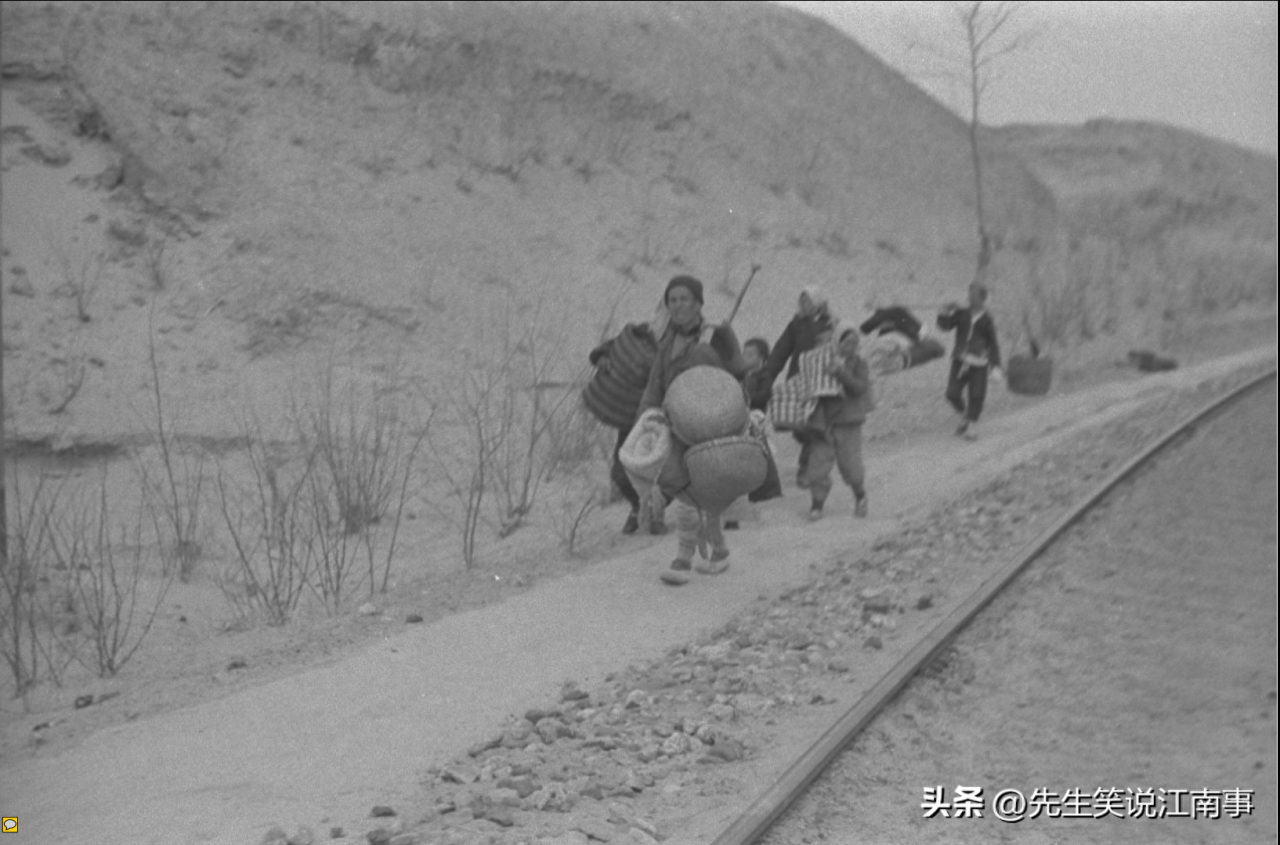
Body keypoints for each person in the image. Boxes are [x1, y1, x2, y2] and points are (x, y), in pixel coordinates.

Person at [638, 275, 746, 586]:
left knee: (702, 491)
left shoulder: (714, 334)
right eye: (672, 300)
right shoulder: (667, 342)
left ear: (699, 303)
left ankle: (687, 557)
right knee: (684, 487)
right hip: (677, 422)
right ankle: (707, 552)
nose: (678, 305)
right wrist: (646, 415)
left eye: (684, 299)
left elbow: (738, 372)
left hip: (712, 423)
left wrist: (729, 339)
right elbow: (655, 383)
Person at [582, 303, 669, 534]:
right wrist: (602, 359)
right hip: (630, 416)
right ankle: (638, 507)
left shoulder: (685, 343)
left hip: (664, 419)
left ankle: (655, 513)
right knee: (620, 473)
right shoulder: (637, 335)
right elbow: (606, 350)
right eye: (667, 307)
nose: (668, 315)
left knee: (662, 472)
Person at [764, 287, 835, 487]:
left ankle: (806, 469)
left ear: (819, 302)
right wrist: (769, 373)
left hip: (821, 384)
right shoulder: (796, 325)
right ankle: (814, 458)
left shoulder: (830, 324)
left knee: (812, 425)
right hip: (797, 381)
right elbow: (781, 350)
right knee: (798, 429)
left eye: (808, 301)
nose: (804, 305)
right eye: (802, 301)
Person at [803, 323, 872, 520]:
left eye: (854, 343)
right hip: (823, 423)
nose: (850, 347)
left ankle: (860, 496)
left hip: (848, 422)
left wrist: (841, 373)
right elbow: (810, 384)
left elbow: (859, 388)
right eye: (846, 342)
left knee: (851, 467)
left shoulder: (859, 364)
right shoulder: (820, 362)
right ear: (837, 342)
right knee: (817, 466)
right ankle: (817, 505)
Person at [937, 282, 1003, 440]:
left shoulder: (987, 320)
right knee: (951, 393)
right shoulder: (961, 314)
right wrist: (945, 310)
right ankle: (964, 417)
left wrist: (995, 366)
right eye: (969, 294)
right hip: (960, 360)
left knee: (977, 395)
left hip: (979, 363)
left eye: (974, 295)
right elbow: (944, 326)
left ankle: (970, 427)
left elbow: (993, 344)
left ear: (982, 298)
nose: (970, 298)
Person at [724, 337, 773, 531]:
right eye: (743, 353)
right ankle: (732, 515)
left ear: (762, 358)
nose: (745, 357)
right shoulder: (741, 375)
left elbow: (763, 397)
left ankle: (738, 511)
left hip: (755, 420)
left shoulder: (764, 376)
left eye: (750, 354)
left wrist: (747, 397)